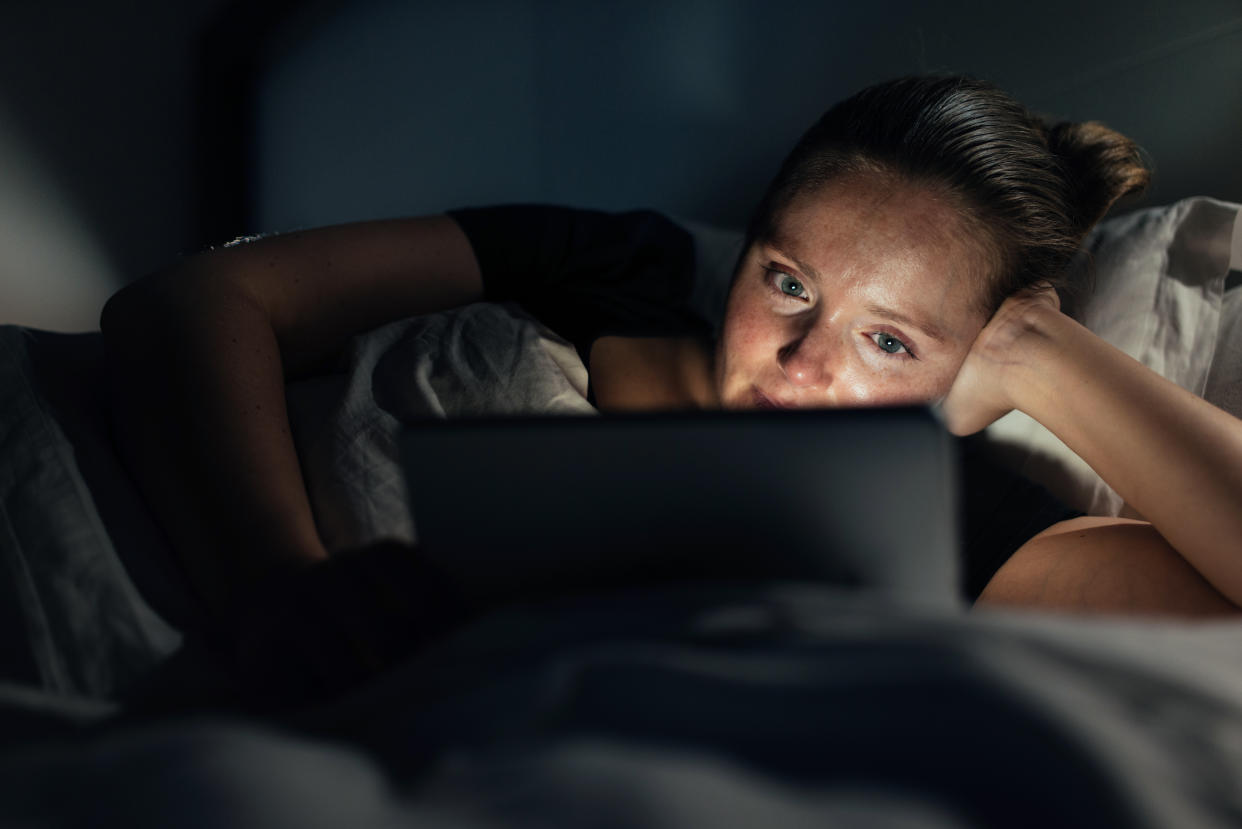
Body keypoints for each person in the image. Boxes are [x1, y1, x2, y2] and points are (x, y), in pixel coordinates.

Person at [102, 75, 1242, 694]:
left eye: (889, 341)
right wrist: (283, 582)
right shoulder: (624, 271)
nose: (804, 362)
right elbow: (193, 302)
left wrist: (1042, 355)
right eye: (787, 281)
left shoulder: (959, 512)